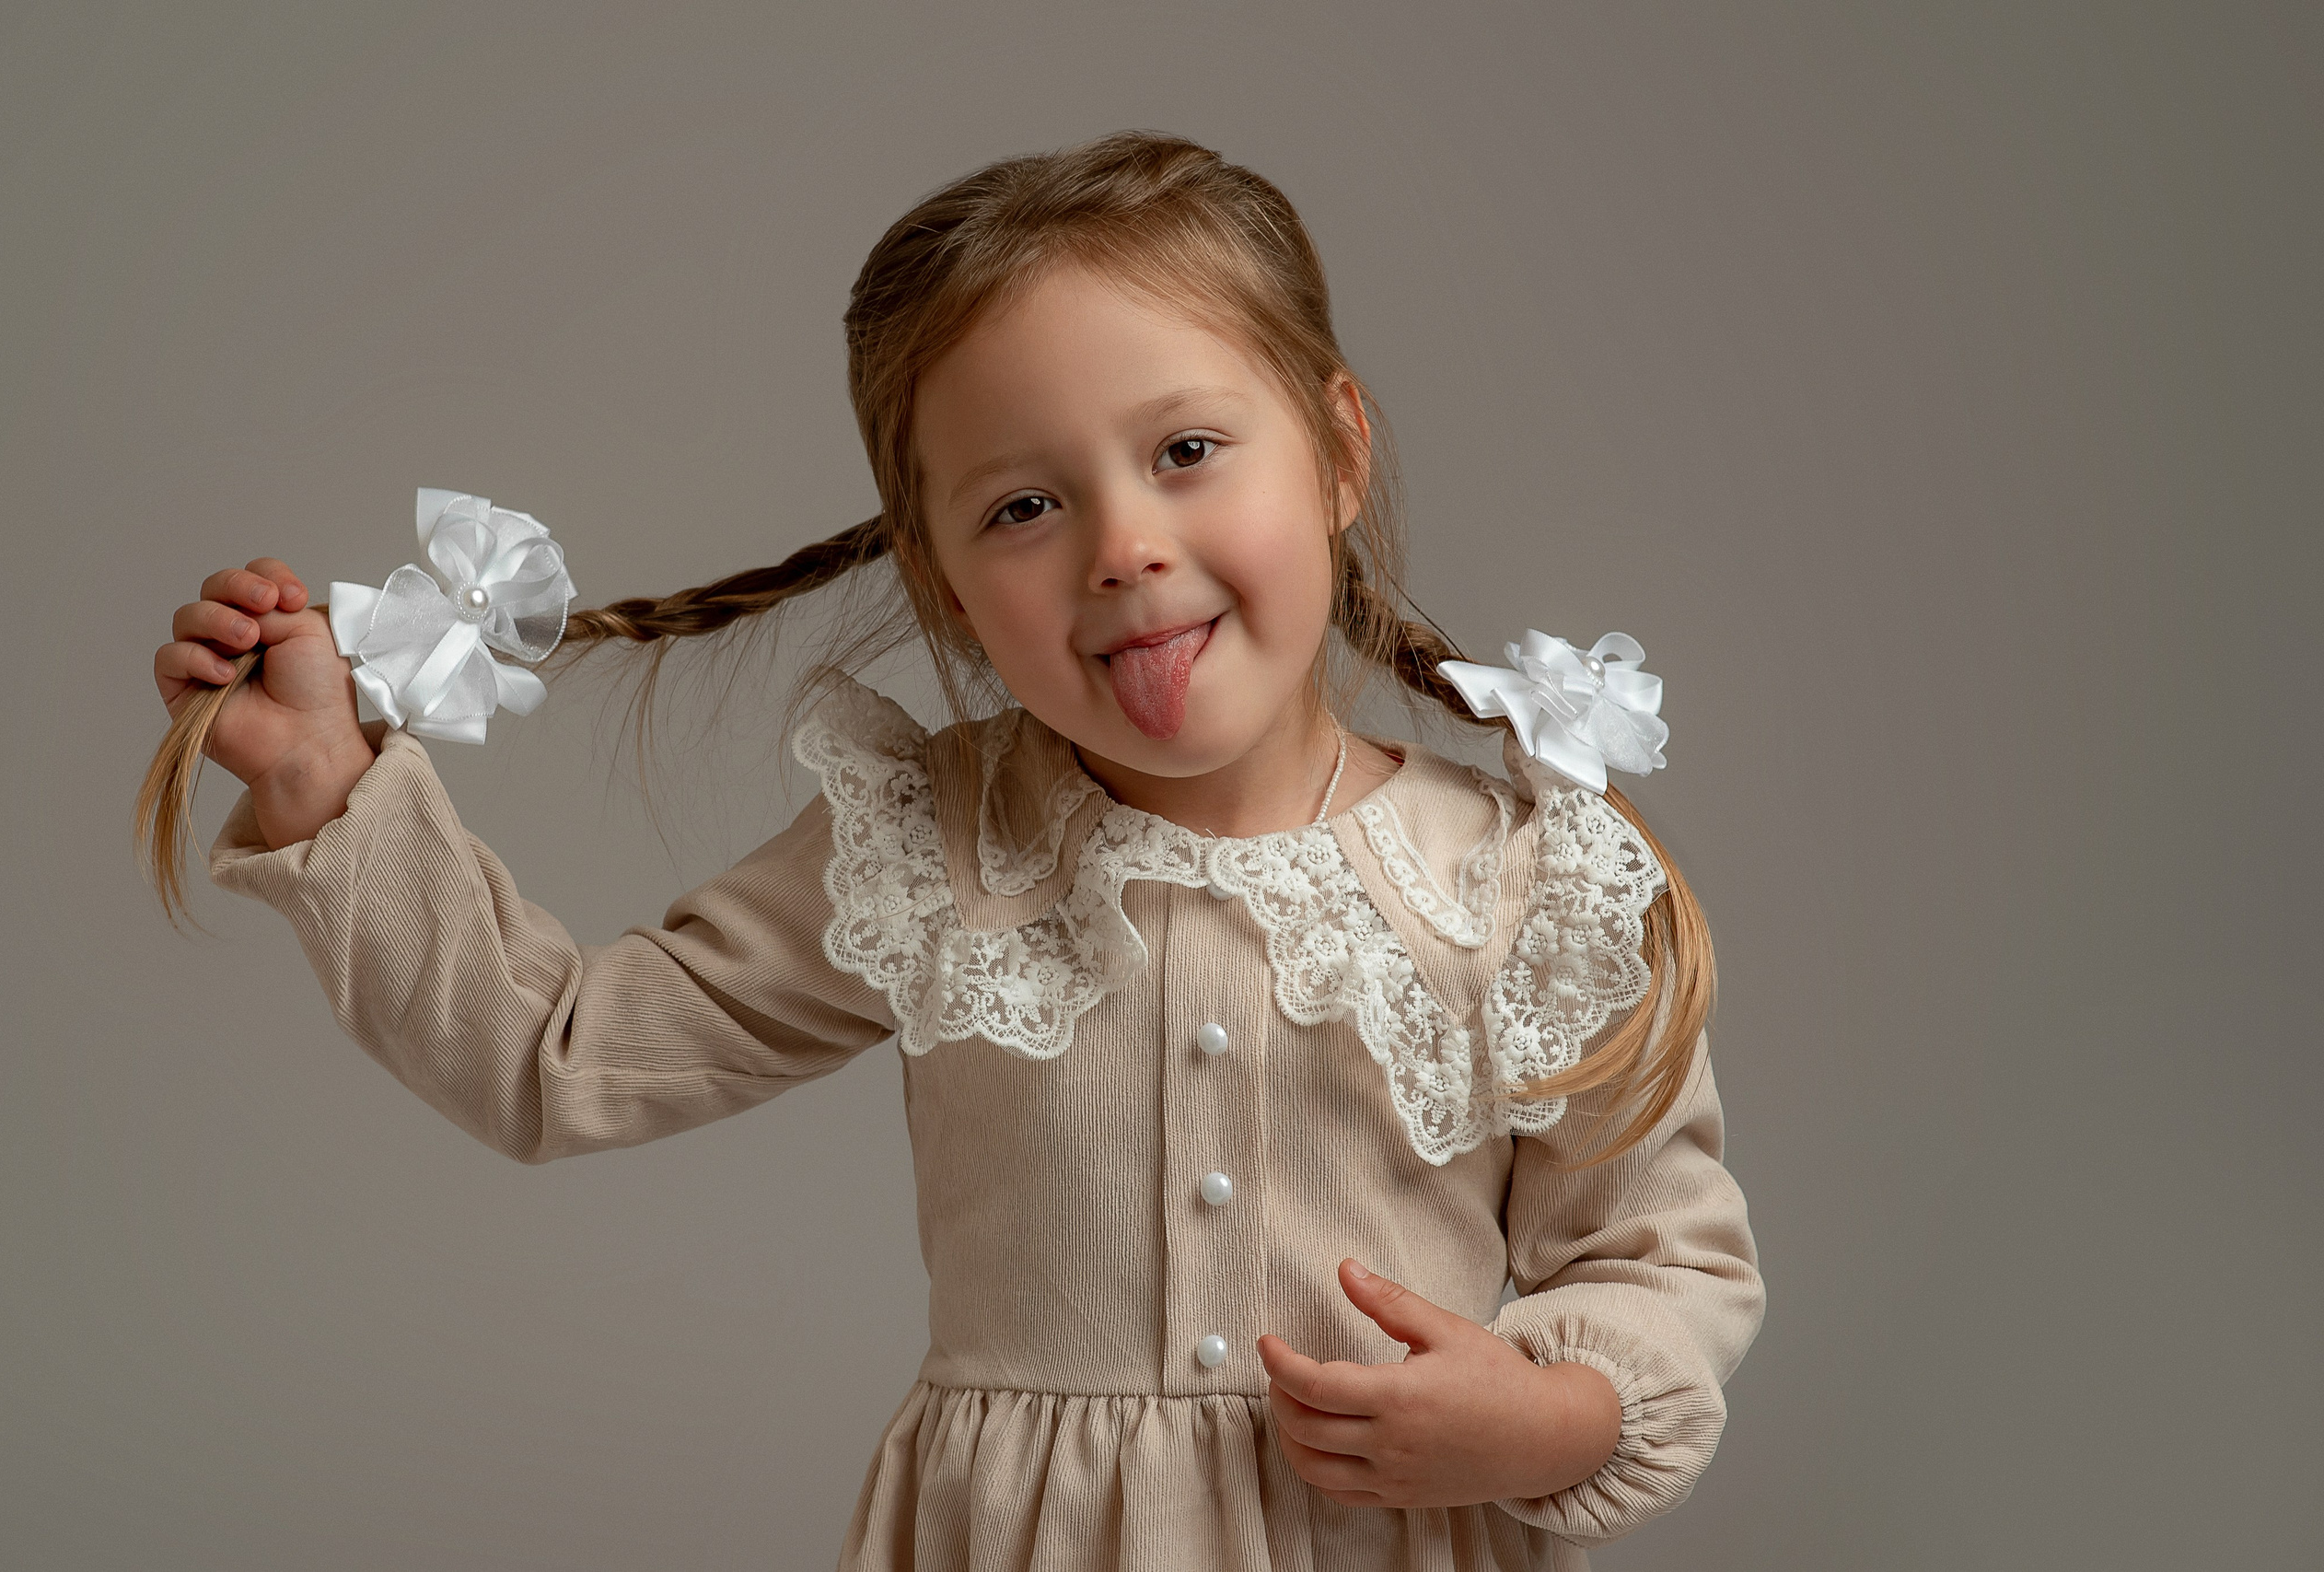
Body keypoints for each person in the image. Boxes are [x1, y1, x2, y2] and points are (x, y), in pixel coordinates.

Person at [142, 131, 1762, 1571]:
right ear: (943, 581)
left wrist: (1551, 1422)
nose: (1124, 547)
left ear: (1339, 449)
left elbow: (1661, 1257)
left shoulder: (1529, 882)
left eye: (1187, 451)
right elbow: (555, 1059)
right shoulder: (932, 848)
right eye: (1023, 508)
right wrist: (326, 786)